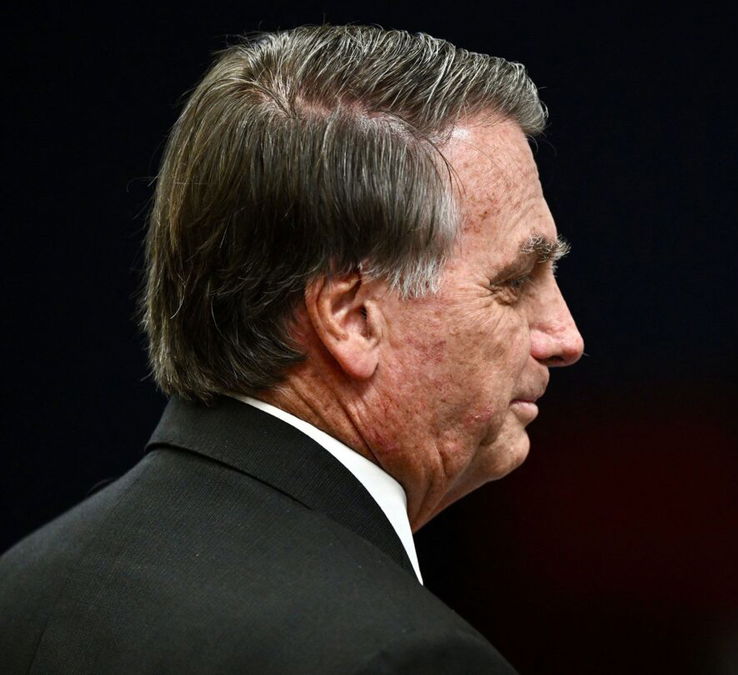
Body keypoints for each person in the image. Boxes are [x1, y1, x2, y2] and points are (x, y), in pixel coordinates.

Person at [0, 24, 583, 674]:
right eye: (514, 282)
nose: (565, 337)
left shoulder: (18, 592)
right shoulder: (403, 656)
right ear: (352, 319)